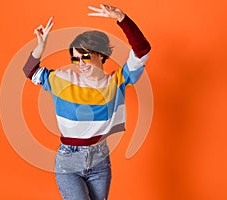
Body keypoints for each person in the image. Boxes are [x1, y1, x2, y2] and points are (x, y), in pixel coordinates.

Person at [23, 4, 151, 200]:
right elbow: (30, 72)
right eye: (75, 59)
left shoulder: (116, 82)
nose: (81, 63)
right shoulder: (63, 80)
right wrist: (40, 47)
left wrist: (122, 18)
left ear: (100, 54)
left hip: (100, 162)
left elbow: (142, 51)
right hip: (68, 160)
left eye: (85, 56)